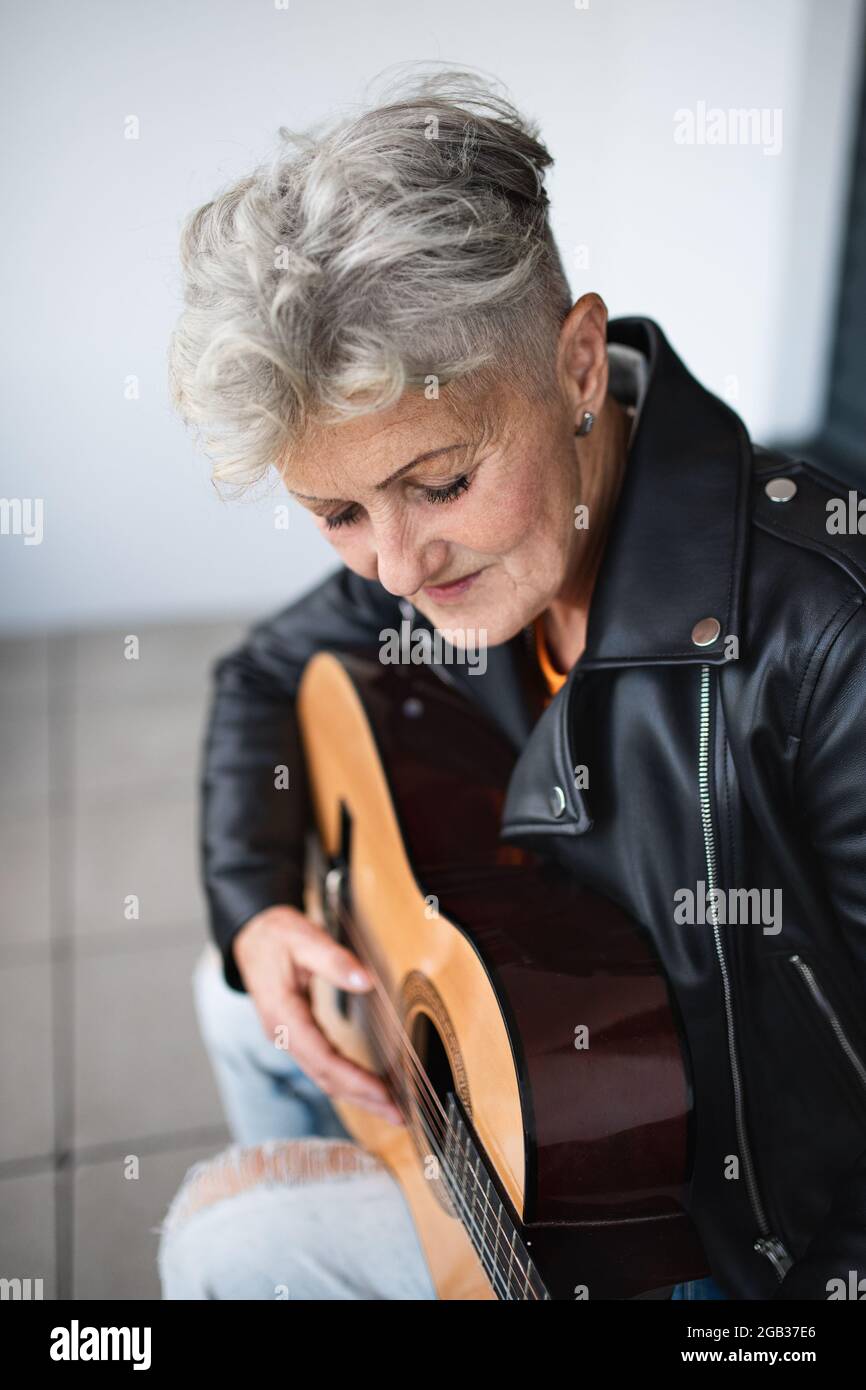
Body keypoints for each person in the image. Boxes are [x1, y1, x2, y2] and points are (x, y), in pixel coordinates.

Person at [157, 67, 866, 1301]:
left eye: (440, 483)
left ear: (577, 362)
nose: (396, 569)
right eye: (336, 512)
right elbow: (269, 670)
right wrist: (251, 906)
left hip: (718, 1243)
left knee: (225, 1249)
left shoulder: (827, 637)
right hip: (535, 1087)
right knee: (237, 989)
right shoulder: (460, 560)